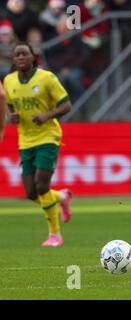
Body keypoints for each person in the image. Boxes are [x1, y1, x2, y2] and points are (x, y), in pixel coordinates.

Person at [3, 42, 73, 247]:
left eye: (24, 53)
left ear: (33, 57)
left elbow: (67, 104)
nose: (20, 57)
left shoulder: (47, 78)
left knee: (41, 185)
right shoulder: (9, 80)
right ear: (14, 60)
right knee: (30, 192)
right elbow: (8, 105)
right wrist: (10, 116)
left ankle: (55, 235)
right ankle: (61, 196)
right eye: (17, 55)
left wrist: (47, 116)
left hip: (48, 137)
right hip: (25, 140)